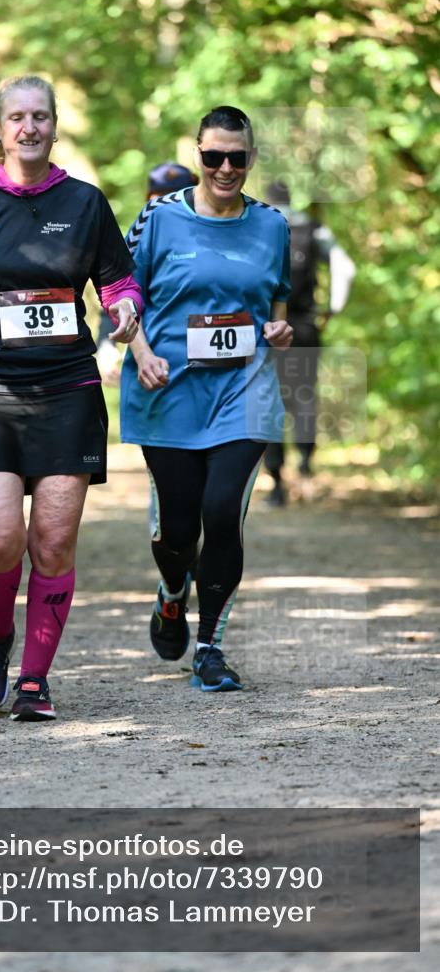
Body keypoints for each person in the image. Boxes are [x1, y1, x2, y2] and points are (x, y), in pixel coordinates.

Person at [0, 75, 141, 721]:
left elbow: (119, 282)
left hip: (67, 389)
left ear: (54, 124)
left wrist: (124, 314)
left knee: (52, 542)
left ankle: (34, 682)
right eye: (17, 116)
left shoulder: (85, 202)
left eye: (39, 115)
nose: (29, 127)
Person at [120, 105, 293, 692]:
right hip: (167, 391)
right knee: (177, 532)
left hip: (244, 391)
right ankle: (172, 593)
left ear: (250, 159)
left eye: (236, 158)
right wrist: (140, 349)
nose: (225, 168)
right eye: (213, 156)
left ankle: (211, 647)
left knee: (223, 515)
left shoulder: (272, 224)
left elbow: (280, 297)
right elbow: (122, 292)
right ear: (197, 154)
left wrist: (280, 328)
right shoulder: (158, 217)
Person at [263, 181, 356, 505]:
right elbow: (346, 268)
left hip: (268, 328)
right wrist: (332, 308)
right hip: (304, 325)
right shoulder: (312, 227)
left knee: (269, 398)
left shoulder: (259, 224)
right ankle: (304, 462)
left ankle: (276, 483)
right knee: (303, 394)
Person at [95, 162, 198, 386]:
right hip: (157, 365)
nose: (164, 205)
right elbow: (117, 292)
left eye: (174, 197)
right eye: (157, 197)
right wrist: (106, 344)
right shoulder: (139, 238)